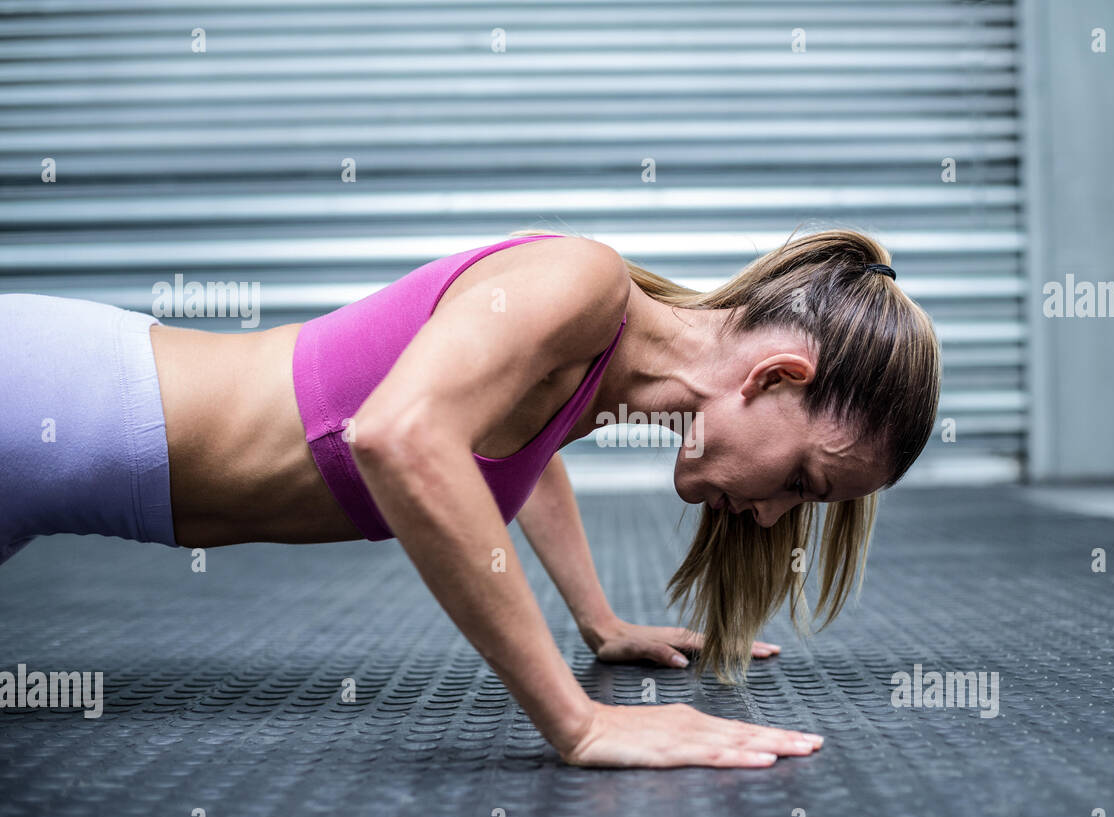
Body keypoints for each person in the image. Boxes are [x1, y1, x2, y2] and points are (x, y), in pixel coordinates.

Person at [0, 226, 941, 768]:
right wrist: (578, 722)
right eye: (802, 484)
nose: (775, 516)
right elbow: (399, 436)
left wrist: (599, 621)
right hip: (45, 393)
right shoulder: (583, 281)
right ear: (777, 376)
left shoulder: (601, 371)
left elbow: (518, 452)